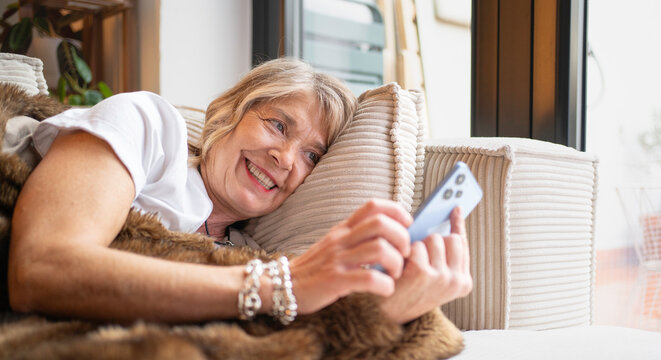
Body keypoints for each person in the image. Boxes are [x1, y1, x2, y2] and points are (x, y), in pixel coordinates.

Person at [8, 58, 472, 325]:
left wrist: (386, 314)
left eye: (312, 155)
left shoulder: (251, 254)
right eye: (277, 124)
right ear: (229, 111)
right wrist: (282, 286)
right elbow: (41, 269)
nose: (286, 159)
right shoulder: (150, 126)